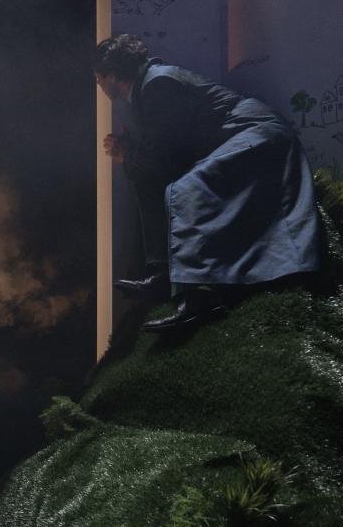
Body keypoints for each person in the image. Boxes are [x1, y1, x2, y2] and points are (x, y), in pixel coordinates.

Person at [96, 34, 324, 331]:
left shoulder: (157, 83)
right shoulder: (141, 93)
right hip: (232, 138)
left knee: (186, 189)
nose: (98, 84)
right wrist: (129, 151)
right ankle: (164, 274)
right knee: (147, 179)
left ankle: (198, 295)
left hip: (254, 132)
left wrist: (127, 154)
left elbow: (167, 155)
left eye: (99, 77)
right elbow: (158, 152)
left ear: (113, 74)